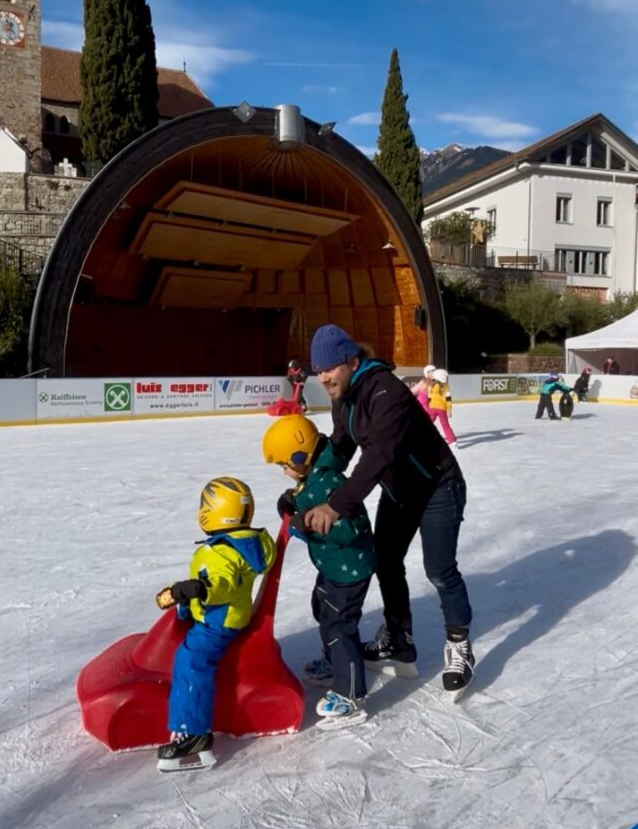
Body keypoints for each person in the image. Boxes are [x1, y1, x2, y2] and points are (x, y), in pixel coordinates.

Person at [303, 324, 475, 697]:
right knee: (386, 561)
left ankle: (459, 644)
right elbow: (341, 445)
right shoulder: (344, 397)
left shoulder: (386, 391)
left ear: (351, 361)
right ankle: (399, 639)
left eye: (329, 368)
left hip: (438, 488)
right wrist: (310, 479)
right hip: (400, 492)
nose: (323, 377)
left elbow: (379, 454)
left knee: (440, 570)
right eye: (318, 370)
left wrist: (336, 504)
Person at [154, 476, 275, 772]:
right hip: (223, 615)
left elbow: (223, 584)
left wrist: (198, 589)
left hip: (216, 623)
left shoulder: (221, 552)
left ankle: (193, 734)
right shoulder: (250, 543)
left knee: (191, 660)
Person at [262, 413, 375, 727]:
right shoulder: (313, 477)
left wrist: (308, 523)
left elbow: (352, 528)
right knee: (320, 607)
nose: (283, 471)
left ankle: (351, 695)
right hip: (332, 566)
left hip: (350, 569)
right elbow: (306, 499)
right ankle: (334, 661)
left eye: (284, 464)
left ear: (301, 457)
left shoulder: (331, 482)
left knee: (338, 626)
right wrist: (292, 504)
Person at [429, 368, 458, 448]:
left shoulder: (433, 385)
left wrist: (429, 403)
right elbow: (448, 399)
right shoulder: (446, 387)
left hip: (433, 408)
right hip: (442, 409)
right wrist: (449, 409)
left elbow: (430, 396)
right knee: (445, 425)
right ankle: (452, 441)